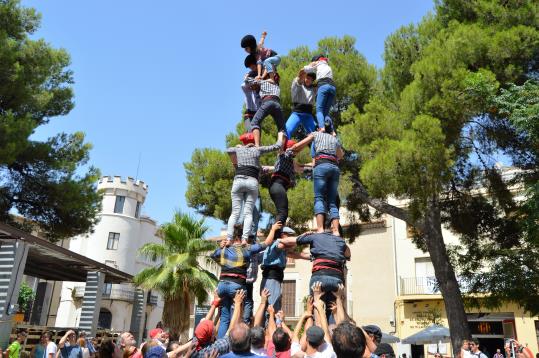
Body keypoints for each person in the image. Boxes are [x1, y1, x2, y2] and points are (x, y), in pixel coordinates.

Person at [211, 223, 277, 338]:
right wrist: (273, 229)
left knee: (224, 318)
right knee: (237, 317)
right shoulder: (246, 249)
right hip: (236, 286)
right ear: (243, 237)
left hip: (222, 286)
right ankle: (234, 344)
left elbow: (213, 255)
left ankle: (220, 344)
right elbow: (266, 244)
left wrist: (220, 246)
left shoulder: (223, 250)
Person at [226, 131, 283, 243]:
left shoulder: (238, 149)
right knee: (248, 213)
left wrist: (237, 148)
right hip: (252, 182)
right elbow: (277, 146)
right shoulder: (257, 149)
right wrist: (280, 135)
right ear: (255, 140)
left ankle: (229, 239)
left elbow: (228, 150)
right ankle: (244, 239)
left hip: (238, 181)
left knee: (235, 213)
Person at [278, 231, 350, 312]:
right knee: (334, 312)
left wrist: (279, 240)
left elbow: (289, 245)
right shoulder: (340, 241)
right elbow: (348, 255)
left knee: (316, 309)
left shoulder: (316, 237)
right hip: (337, 279)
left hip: (319, 277)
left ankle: (317, 322)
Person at [290, 126, 344, 234]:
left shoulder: (316, 134)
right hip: (334, 168)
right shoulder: (334, 139)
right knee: (332, 202)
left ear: (321, 129)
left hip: (321, 166)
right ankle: (336, 231)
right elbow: (341, 155)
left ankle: (320, 229)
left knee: (319, 198)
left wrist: (290, 150)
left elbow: (298, 145)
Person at [259, 222, 309, 315]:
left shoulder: (283, 250)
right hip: (271, 279)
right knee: (271, 309)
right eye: (290, 236)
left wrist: (313, 257)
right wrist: (302, 238)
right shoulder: (277, 243)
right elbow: (287, 245)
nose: (292, 238)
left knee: (275, 309)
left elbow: (297, 255)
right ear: (283, 235)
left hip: (275, 280)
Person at [264, 140, 311, 231]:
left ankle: (276, 235)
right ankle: (275, 237)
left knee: (282, 213)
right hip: (277, 185)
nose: (296, 154)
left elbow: (300, 168)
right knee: (282, 213)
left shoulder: (288, 161)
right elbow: (295, 149)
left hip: (276, 186)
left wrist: (315, 165)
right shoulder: (284, 155)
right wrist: (310, 138)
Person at [244, 75, 285, 147]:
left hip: (267, 102)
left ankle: (257, 146)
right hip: (277, 104)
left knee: (254, 123)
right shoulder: (277, 85)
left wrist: (247, 77)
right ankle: (281, 151)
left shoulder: (263, 82)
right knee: (282, 128)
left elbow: (248, 80)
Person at [303, 56, 336, 131]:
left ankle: (322, 128)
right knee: (326, 113)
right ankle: (332, 131)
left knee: (319, 110)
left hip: (323, 86)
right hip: (332, 88)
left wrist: (311, 63)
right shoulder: (327, 65)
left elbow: (306, 69)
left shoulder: (317, 63)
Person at [285, 69, 317, 139]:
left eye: (311, 80)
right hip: (297, 114)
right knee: (287, 130)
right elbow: (299, 80)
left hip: (308, 115)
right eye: (308, 78)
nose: (309, 80)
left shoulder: (314, 89)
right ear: (304, 77)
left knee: (317, 134)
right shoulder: (298, 85)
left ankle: (317, 149)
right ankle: (283, 149)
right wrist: (303, 74)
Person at [241, 62, 261, 131]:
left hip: (257, 114)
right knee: (250, 134)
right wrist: (247, 78)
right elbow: (243, 86)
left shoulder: (259, 92)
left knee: (257, 133)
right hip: (248, 114)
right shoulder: (248, 91)